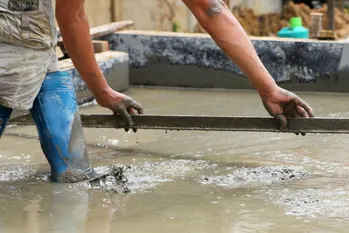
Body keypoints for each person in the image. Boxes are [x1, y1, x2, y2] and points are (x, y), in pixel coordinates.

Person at [0, 0, 314, 183]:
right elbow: (72, 16)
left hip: (39, 42)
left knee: (75, 175)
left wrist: (268, 88)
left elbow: (212, 10)